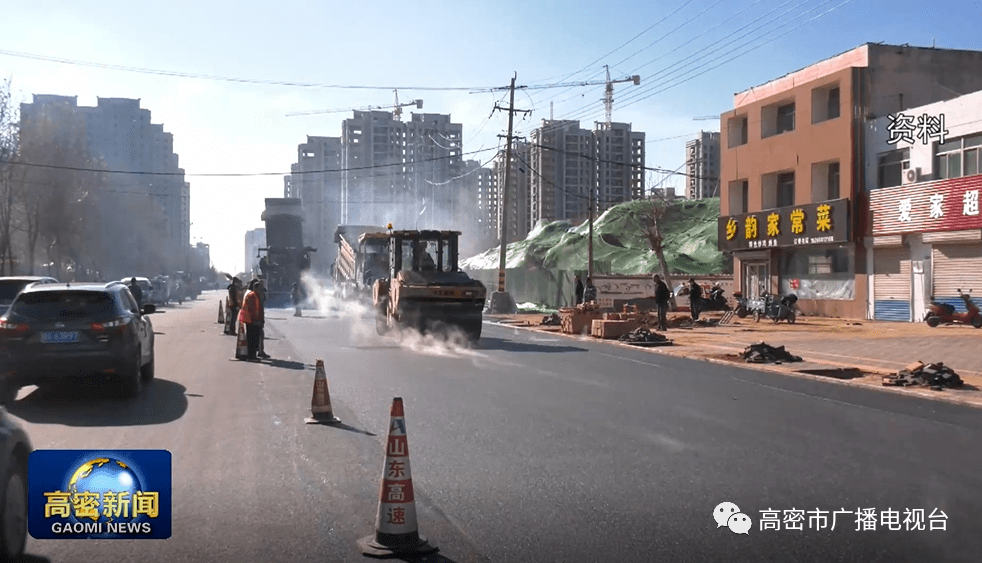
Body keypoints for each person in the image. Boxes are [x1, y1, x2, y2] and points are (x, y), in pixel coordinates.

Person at [238, 280, 262, 361]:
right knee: (252, 339)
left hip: (251, 320)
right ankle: (251, 356)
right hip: (251, 321)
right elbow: (253, 310)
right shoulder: (252, 296)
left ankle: (252, 355)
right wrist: (256, 320)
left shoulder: (254, 295)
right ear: (256, 288)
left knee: (253, 338)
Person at [254, 279, 270, 359]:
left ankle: (259, 351)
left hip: (259, 317)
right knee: (259, 335)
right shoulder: (255, 296)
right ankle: (259, 351)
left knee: (260, 335)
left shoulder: (259, 294)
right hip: (256, 318)